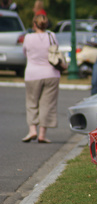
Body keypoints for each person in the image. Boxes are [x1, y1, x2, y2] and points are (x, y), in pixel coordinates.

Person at [22, 15, 61, 143]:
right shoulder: (52, 36)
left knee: (32, 103)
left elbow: (25, 53)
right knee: (47, 104)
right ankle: (42, 134)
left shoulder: (28, 37)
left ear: (34, 24)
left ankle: (32, 130)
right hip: (51, 74)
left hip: (32, 74)